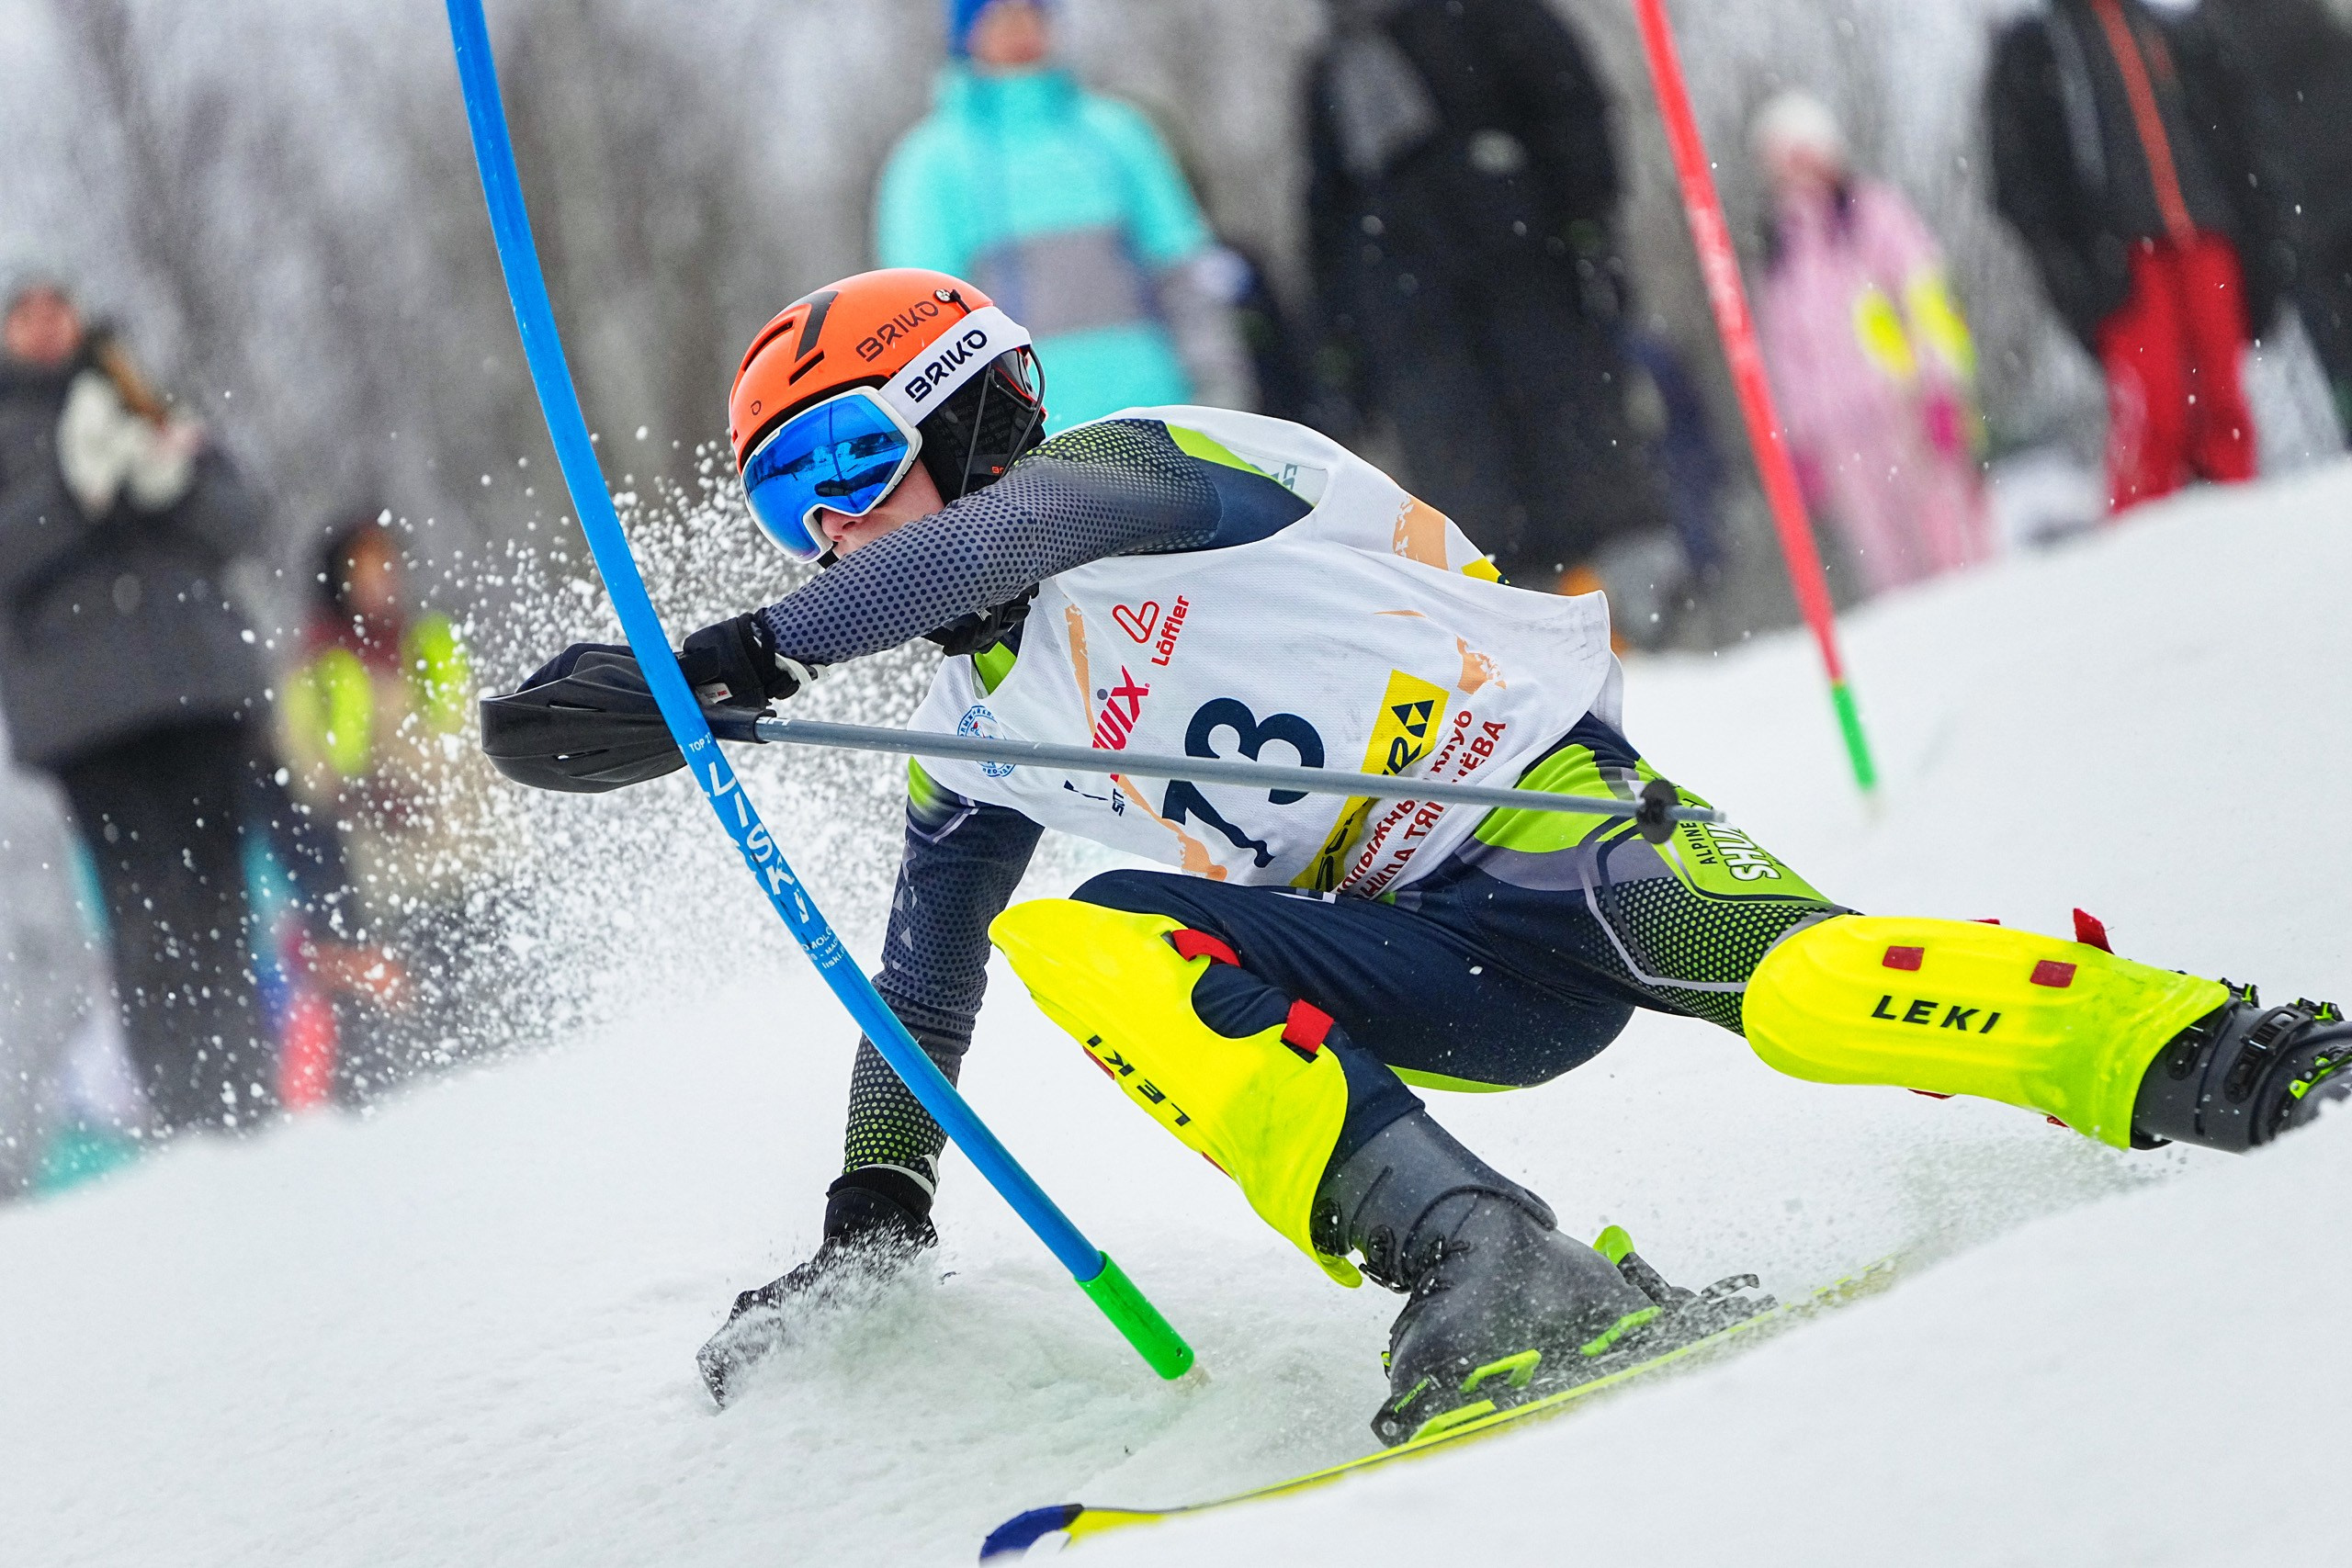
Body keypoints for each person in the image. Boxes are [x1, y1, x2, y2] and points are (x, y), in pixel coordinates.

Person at [497, 268, 2350, 1441]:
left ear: (962, 402)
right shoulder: (967, 729)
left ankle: (2194, 1046)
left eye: (836, 463)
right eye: (775, 504)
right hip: (1406, 954)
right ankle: (1483, 1258)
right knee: (1084, 943)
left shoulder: (1137, 465)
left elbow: (1003, 540)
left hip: (1558, 833)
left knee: (1795, 984)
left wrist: (725, 658)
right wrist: (870, 1220)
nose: (818, 530)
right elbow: (921, 981)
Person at [0, 279, 283, 1134]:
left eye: (59, 304)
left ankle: (250, 1094)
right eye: (27, 310)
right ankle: (186, 1104)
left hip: (198, 686)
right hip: (90, 713)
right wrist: (70, 490)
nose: (49, 323)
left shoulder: (139, 392)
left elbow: (241, 516)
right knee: (145, 902)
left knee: (221, 892)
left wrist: (169, 473)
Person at [1302, 0, 1675, 598]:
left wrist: (1587, 224)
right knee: (1464, 486)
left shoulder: (1491, 14)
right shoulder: (1331, 69)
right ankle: (1506, 613)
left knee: (1575, 439)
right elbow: (1326, 218)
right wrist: (1338, 348)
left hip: (1524, 269)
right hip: (1412, 314)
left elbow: (1568, 104)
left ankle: (1629, 607)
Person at [876, 0, 1254, 429]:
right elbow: (920, 327)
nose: (1019, 30)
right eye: (999, 17)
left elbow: (1183, 276)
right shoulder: (928, 166)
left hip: (1159, 414)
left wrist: (1221, 392)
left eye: (1030, 13)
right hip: (1024, 442)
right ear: (965, 34)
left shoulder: (1120, 135)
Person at [1986, 0, 2291, 512]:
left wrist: (2264, 238)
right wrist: (2072, 267)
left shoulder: (2171, 30)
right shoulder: (2040, 49)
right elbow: (2021, 180)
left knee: (2225, 401)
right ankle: (2144, 545)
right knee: (2157, 411)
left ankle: (2241, 527)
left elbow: (2240, 139)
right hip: (2124, 257)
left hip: (2206, 233)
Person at [1752, 93, 1993, 595]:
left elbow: (1927, 298)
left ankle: (1985, 615)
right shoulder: (1782, 252)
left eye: (1805, 154)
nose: (1798, 172)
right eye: (1784, 160)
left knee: (1951, 541)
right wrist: (1800, 441)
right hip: (1842, 433)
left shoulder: (1873, 216)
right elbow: (1786, 358)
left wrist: (1943, 385)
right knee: (1887, 563)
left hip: (1904, 405)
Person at [278, 513, 478, 1099]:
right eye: (364, 567)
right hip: (383, 876)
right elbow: (304, 770)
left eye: (386, 563)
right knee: (421, 1031)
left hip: (466, 857)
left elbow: (472, 738)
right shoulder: (316, 669)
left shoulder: (430, 643)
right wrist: (367, 795)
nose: (381, 580)